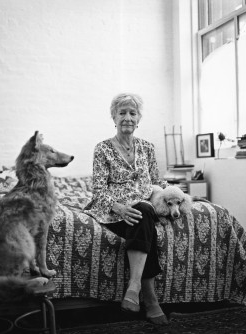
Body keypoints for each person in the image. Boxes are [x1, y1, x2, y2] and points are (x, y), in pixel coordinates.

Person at [84, 93, 169, 325]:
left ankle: (133, 288)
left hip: (143, 207)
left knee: (143, 211)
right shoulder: (102, 149)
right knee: (143, 220)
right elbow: (98, 191)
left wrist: (175, 196)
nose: (127, 117)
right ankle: (150, 301)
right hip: (113, 210)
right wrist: (120, 208)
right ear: (114, 116)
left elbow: (157, 183)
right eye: (122, 112)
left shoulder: (148, 148)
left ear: (139, 117)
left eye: (132, 113)